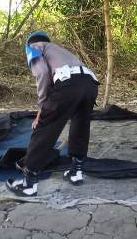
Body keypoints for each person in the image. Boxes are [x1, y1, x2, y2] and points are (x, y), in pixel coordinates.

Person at [7, 31, 99, 197]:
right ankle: (76, 172)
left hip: (69, 84)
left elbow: (41, 73)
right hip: (90, 84)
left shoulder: (33, 47)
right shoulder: (58, 49)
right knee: (80, 124)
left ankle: (29, 183)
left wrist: (42, 108)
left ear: (30, 43)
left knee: (44, 126)